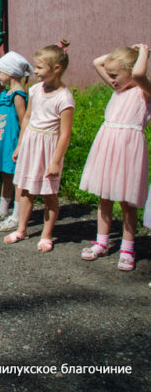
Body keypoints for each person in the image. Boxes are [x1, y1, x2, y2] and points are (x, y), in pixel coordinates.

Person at [79, 45, 151, 271]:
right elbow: (96, 62)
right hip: (107, 145)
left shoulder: (143, 91)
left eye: (115, 75)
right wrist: (128, 49)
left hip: (129, 148)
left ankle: (127, 247)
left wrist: (143, 52)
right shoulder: (118, 90)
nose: (111, 80)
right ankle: (101, 241)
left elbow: (139, 75)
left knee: (128, 202)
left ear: (131, 70)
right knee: (105, 196)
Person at [4, 40, 75, 252]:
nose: (35, 71)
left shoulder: (65, 97)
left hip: (48, 148)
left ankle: (46, 234)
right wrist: (20, 145)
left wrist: (55, 161)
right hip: (31, 144)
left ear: (57, 69)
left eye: (40, 67)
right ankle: (22, 229)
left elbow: (65, 134)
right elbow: (26, 118)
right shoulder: (34, 90)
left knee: (48, 194)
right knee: (25, 190)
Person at [0, 52, 31, 228]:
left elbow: (23, 119)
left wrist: (20, 144)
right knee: (6, 177)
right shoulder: (6, 93)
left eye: (0, 72)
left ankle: (17, 215)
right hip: (2, 141)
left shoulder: (17, 95)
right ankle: (3, 210)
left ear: (10, 72)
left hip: (12, 142)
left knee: (16, 178)